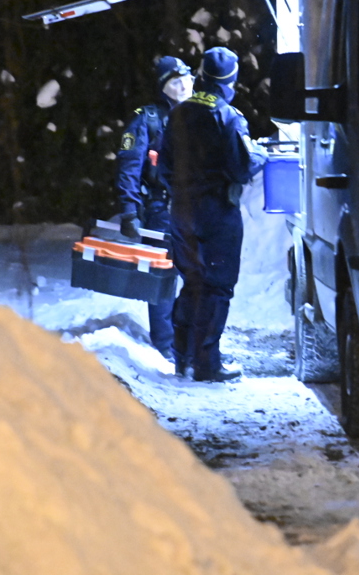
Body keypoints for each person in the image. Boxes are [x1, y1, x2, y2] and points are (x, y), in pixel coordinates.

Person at [160, 46, 266, 382]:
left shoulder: (178, 113)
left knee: (192, 281)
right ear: (229, 82)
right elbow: (241, 168)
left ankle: (182, 356)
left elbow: (163, 166)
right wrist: (260, 155)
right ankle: (207, 363)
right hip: (217, 213)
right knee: (217, 286)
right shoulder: (228, 116)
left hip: (181, 211)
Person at [114, 54, 193, 360]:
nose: (184, 84)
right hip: (161, 208)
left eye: (187, 77)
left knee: (198, 278)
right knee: (162, 278)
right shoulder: (146, 118)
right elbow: (129, 165)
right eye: (175, 80)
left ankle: (193, 343)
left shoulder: (200, 113)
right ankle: (166, 346)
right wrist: (129, 210)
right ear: (163, 87)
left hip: (196, 208)